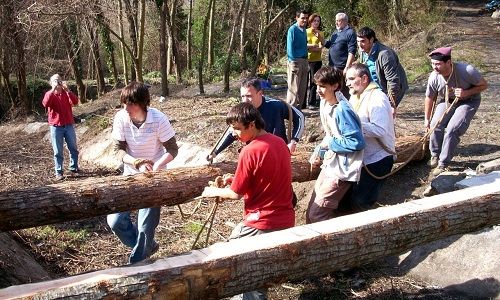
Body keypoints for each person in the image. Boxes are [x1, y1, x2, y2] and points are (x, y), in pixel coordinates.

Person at [202, 102, 295, 300]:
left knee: (240, 264)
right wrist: (233, 179)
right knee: (258, 268)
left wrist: (210, 191)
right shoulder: (279, 143)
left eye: (237, 129)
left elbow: (236, 194)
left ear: (251, 124)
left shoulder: (249, 150)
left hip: (261, 222)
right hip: (285, 218)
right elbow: (265, 177)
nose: (234, 134)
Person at [107, 81, 179, 264]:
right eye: (124, 103)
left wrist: (156, 167)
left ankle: (137, 264)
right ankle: (146, 247)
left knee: (145, 227)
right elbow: (118, 150)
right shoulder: (121, 118)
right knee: (115, 221)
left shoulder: (158, 119)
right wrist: (136, 163)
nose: (126, 108)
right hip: (130, 175)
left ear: (142, 103)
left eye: (130, 104)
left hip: (153, 178)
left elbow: (172, 149)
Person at [306, 67, 365, 223]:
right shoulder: (326, 103)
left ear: (335, 86)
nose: (319, 90)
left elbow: (356, 142)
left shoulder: (342, 110)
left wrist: (330, 143)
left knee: (317, 214)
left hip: (342, 170)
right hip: (332, 163)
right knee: (311, 208)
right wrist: (319, 149)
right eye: (317, 85)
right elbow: (331, 135)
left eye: (323, 86)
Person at [424, 47, 488, 176]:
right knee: (435, 124)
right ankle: (435, 155)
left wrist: (467, 92)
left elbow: (484, 85)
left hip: (469, 100)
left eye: (438, 64)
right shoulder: (434, 77)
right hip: (448, 100)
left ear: (449, 62)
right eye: (432, 64)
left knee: (453, 129)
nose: (434, 67)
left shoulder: (467, 70)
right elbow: (430, 97)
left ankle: (443, 163)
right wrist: (427, 119)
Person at [207, 77, 304, 160]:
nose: (245, 100)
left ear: (260, 93)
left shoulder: (276, 105)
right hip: (255, 154)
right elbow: (232, 132)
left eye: (249, 96)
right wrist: (215, 152)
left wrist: (293, 142)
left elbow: (299, 117)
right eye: (242, 96)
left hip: (279, 152)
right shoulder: (243, 111)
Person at [345, 63, 395, 211]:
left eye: (351, 79)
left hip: (378, 159)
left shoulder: (377, 98)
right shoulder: (355, 96)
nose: (347, 83)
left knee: (360, 202)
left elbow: (380, 130)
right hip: (362, 159)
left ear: (364, 78)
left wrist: (354, 125)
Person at [357, 27, 408, 108]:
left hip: (392, 89)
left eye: (363, 41)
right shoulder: (363, 51)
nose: (359, 44)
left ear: (371, 40)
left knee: (384, 114)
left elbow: (393, 81)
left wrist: (391, 104)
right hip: (375, 89)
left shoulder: (385, 54)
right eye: (358, 41)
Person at [42, 74, 80, 180]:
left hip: (68, 124)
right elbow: (45, 104)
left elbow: (76, 102)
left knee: (73, 147)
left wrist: (68, 90)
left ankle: (74, 167)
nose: (57, 82)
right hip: (55, 126)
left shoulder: (66, 93)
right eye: (55, 80)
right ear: (51, 83)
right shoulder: (49, 94)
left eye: (59, 80)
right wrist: (53, 90)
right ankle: (59, 172)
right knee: (58, 151)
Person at [323, 13, 357, 98]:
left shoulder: (350, 33)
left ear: (345, 21)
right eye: (336, 21)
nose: (336, 23)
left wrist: (347, 67)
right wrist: (319, 37)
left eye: (339, 21)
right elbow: (329, 45)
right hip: (332, 67)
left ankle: (345, 110)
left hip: (342, 68)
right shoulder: (336, 32)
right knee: (334, 90)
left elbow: (352, 51)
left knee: (343, 92)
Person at [286, 9, 309, 109]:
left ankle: (298, 111)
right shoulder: (292, 29)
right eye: (302, 18)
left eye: (306, 18)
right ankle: (290, 110)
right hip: (295, 61)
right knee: (293, 87)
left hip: (304, 61)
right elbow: (290, 47)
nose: (304, 20)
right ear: (297, 18)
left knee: (302, 88)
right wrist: (293, 60)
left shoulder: (304, 30)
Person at [306, 13, 324, 109]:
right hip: (306, 60)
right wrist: (314, 46)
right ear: (310, 21)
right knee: (304, 82)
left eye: (318, 21)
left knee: (314, 82)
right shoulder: (305, 32)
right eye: (314, 20)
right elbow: (304, 46)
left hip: (316, 61)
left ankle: (311, 102)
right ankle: (302, 103)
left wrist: (319, 38)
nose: (316, 22)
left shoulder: (321, 33)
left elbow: (322, 47)